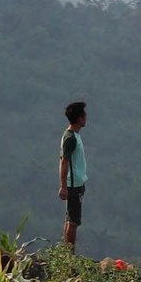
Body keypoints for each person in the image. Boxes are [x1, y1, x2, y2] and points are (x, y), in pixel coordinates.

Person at [58, 100, 88, 250]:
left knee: (70, 219)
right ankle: (69, 255)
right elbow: (64, 162)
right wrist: (63, 187)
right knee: (73, 221)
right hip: (73, 184)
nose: (86, 117)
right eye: (84, 115)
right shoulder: (70, 138)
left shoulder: (73, 135)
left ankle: (66, 252)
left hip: (77, 183)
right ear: (79, 118)